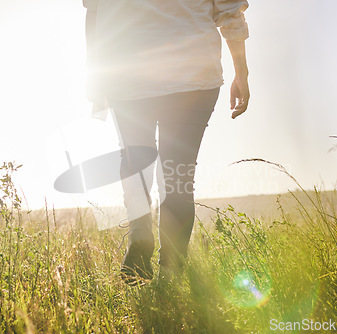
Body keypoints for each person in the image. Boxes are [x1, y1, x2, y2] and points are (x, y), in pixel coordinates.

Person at [82, 0, 250, 283]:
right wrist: (242, 72)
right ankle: (170, 277)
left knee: (134, 161)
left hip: (126, 74)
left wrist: (95, 74)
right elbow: (230, 11)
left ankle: (140, 234)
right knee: (178, 174)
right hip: (192, 75)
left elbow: (94, 13)